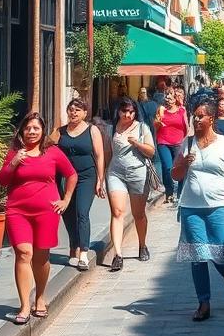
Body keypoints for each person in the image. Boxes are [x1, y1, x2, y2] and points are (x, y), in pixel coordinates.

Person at [0, 112, 77, 325]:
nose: (31, 132)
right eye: (28, 128)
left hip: (46, 211)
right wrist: (13, 163)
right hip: (17, 211)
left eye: (36, 128)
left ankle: (40, 297)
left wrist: (66, 200)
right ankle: (24, 305)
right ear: (22, 131)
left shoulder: (52, 152)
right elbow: (2, 180)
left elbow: (71, 174)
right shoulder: (15, 152)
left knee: (41, 258)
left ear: (42, 132)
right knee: (24, 253)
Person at [172, 97, 224, 322]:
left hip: (219, 206)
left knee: (220, 254)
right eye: (194, 115)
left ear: (211, 118)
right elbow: (175, 175)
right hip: (191, 207)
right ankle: (203, 302)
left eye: (200, 115)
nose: (196, 118)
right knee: (198, 256)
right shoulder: (188, 143)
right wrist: (183, 163)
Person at [50, 98, 105, 270]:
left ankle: (83, 252)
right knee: (67, 213)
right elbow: (47, 147)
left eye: (78, 110)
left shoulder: (92, 130)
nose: (73, 113)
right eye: (71, 109)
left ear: (85, 113)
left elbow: (99, 155)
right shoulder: (60, 131)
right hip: (65, 178)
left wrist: (100, 180)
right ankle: (73, 247)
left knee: (82, 212)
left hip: (86, 177)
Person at [105, 96, 156, 272]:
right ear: (118, 111)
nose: (127, 114)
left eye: (131, 111)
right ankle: (118, 255)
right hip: (115, 173)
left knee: (138, 214)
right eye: (124, 111)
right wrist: (100, 177)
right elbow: (106, 153)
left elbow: (151, 151)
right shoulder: (111, 129)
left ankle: (142, 245)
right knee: (117, 212)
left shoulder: (143, 128)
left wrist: (137, 143)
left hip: (138, 173)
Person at [154, 87, 188, 205]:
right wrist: (157, 123)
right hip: (163, 141)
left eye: (170, 96)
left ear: (175, 99)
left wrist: (186, 142)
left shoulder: (182, 110)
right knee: (168, 167)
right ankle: (169, 193)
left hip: (178, 143)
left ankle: (180, 193)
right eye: (166, 95)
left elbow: (186, 128)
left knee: (179, 167)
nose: (167, 98)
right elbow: (156, 127)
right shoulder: (161, 109)